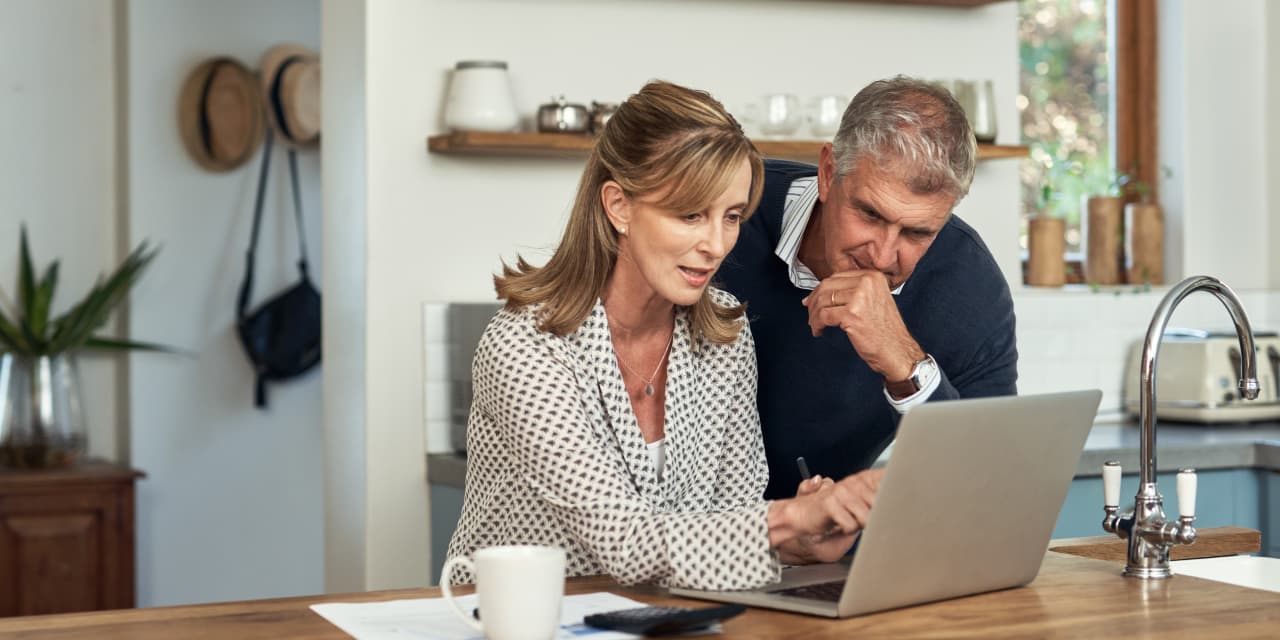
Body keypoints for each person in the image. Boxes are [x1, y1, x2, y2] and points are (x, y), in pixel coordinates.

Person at [446, 81, 882, 591]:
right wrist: (789, 519)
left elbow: (729, 517)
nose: (716, 244)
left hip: (661, 620)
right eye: (690, 214)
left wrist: (797, 546)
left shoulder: (724, 337)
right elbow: (625, 541)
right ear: (619, 206)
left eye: (732, 216)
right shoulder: (525, 347)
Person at [717, 76, 1018, 500]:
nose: (882, 255)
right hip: (686, 536)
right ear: (827, 172)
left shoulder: (969, 286)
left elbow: (988, 482)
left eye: (916, 233)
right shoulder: (728, 214)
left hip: (827, 545)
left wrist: (906, 366)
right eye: (870, 215)